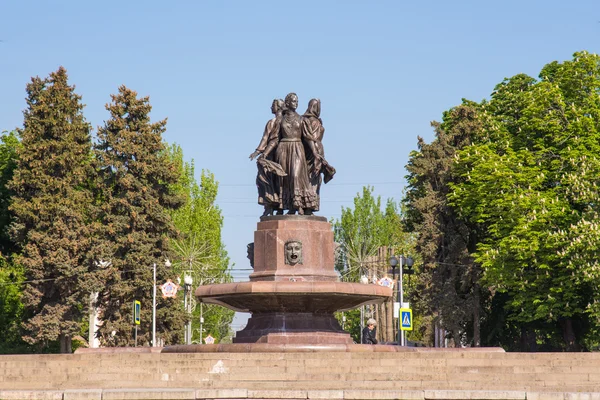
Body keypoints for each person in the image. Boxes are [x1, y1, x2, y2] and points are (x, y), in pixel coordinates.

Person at [275, 93, 318, 215]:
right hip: (283, 149)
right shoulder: (280, 120)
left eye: (297, 101)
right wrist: (262, 152)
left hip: (297, 149)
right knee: (284, 179)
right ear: (287, 103)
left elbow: (308, 137)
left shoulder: (302, 119)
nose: (296, 103)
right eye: (294, 101)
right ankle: (287, 206)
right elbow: (274, 139)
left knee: (295, 176)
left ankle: (299, 204)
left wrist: (315, 152)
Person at [250, 99, 286, 216]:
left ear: (279, 107)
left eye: (273, 105)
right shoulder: (271, 122)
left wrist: (264, 154)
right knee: (266, 179)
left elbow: (273, 140)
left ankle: (276, 206)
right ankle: (269, 206)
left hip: (277, 154)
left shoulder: (279, 121)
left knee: (271, 179)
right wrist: (257, 152)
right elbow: (265, 138)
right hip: (272, 153)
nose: (271, 107)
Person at [302, 98, 336, 212]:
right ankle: (309, 207)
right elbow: (312, 138)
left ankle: (306, 206)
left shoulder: (306, 120)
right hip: (313, 152)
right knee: (312, 180)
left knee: (309, 179)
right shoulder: (313, 121)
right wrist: (317, 155)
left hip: (310, 151)